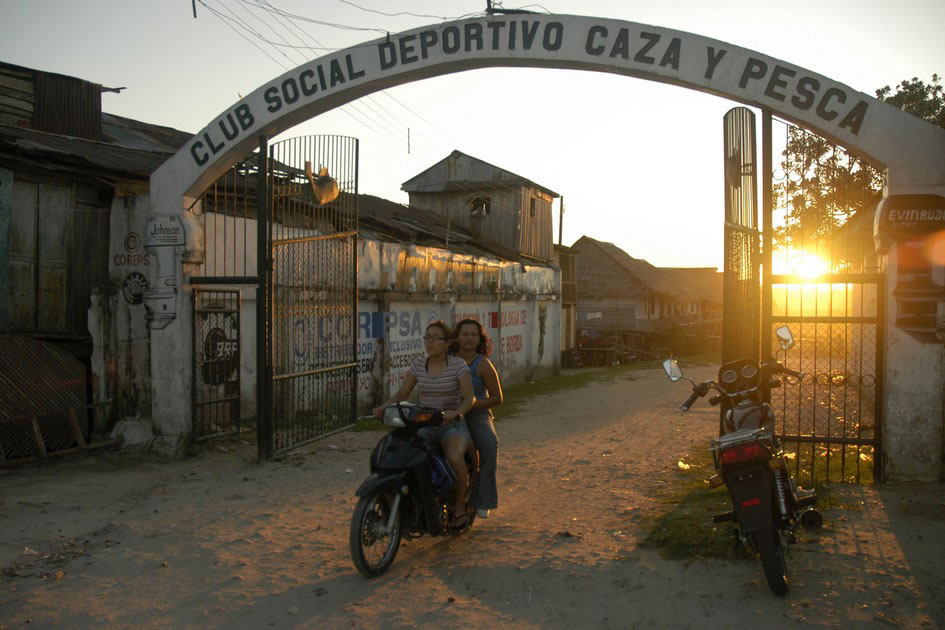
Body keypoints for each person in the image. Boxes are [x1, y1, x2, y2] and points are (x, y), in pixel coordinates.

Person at [374, 320, 475, 528]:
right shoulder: (418, 365)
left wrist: (457, 413)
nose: (429, 342)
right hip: (425, 424)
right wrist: (382, 408)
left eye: (435, 338)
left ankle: (459, 507)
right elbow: (402, 394)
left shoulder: (458, 365)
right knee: (403, 454)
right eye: (427, 337)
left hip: (451, 425)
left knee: (454, 456)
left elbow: (469, 398)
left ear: (447, 344)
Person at [452, 318, 503, 519]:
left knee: (490, 444)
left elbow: (498, 397)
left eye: (474, 334)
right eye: (465, 334)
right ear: (457, 337)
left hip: (476, 413)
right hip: (447, 411)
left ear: (480, 339)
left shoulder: (482, 364)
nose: (469, 338)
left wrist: (471, 406)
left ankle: (483, 500)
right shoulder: (447, 358)